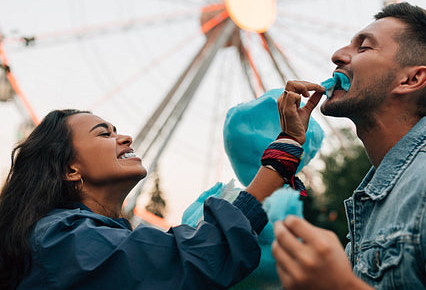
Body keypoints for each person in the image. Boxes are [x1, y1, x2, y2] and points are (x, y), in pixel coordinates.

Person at [0, 80, 324, 289]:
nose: (125, 137)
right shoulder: (62, 240)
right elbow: (192, 261)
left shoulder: (82, 237)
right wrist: (284, 152)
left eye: (116, 130)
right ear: (70, 169)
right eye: (104, 134)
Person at [271, 2, 426, 289]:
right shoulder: (373, 198)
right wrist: (288, 143)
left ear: (411, 79)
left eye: (363, 47)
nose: (338, 55)